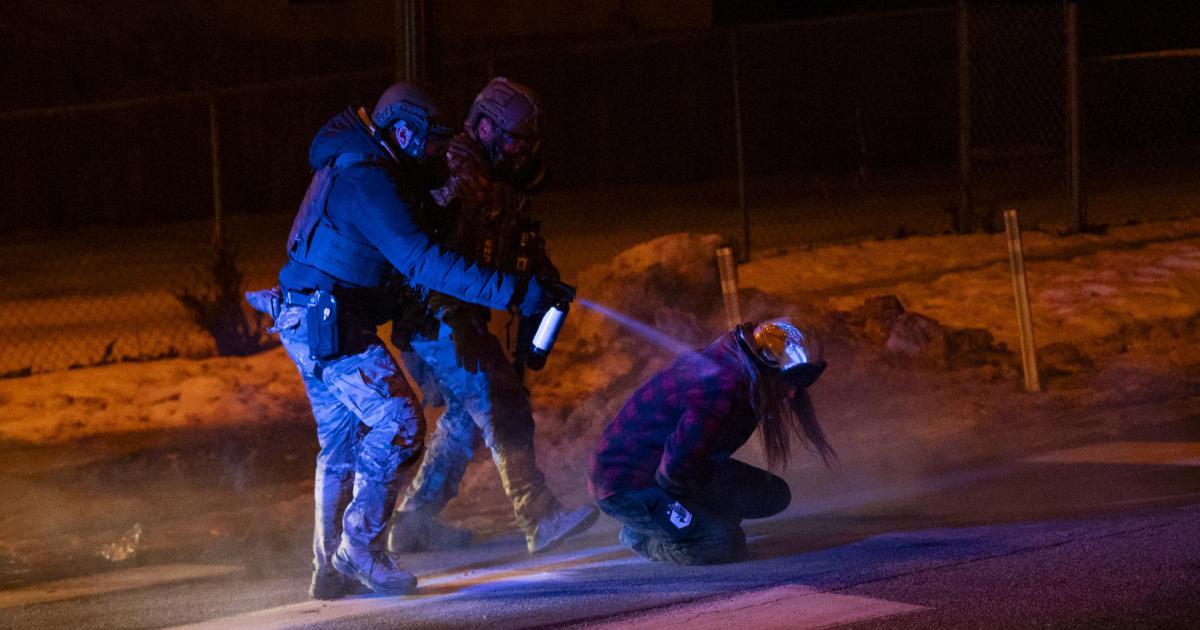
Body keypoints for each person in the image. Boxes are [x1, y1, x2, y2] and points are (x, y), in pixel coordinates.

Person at [251, 82, 566, 600]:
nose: (440, 150)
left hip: (309, 316)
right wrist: (511, 292)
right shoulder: (368, 182)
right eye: (431, 140)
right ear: (402, 131)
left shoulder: (360, 167)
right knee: (399, 423)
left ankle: (329, 567)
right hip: (331, 320)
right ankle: (361, 550)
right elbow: (423, 262)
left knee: (341, 446)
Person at [387, 78, 598, 556]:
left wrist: (542, 279)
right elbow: (441, 259)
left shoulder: (488, 178)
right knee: (499, 400)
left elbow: (510, 240)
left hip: (451, 315)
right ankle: (540, 517)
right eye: (514, 141)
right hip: (436, 314)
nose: (521, 153)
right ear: (484, 127)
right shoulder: (458, 175)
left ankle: (414, 521)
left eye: (528, 144)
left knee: (466, 415)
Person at [588, 317, 835, 565]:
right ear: (765, 368)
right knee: (720, 543)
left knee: (772, 494)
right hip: (628, 486)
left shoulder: (740, 368)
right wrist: (686, 515)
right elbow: (674, 468)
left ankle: (682, 522)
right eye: (788, 383)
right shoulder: (718, 389)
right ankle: (640, 535)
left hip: (672, 467)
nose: (792, 393)